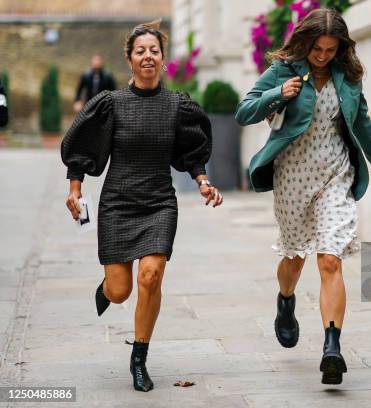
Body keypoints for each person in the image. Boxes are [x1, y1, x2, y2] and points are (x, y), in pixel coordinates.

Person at [235, 8, 371, 385]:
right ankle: (286, 299)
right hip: (292, 177)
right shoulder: (283, 70)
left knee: (329, 259)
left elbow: (363, 125)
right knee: (294, 258)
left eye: (330, 50)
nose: (323, 56)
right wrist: (278, 93)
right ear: (305, 43)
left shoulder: (349, 77)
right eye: (317, 49)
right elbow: (244, 112)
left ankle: (331, 347)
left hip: (335, 175)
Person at [61, 20, 223, 392]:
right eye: (140, 51)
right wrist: (75, 189)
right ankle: (106, 289)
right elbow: (82, 150)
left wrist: (203, 182)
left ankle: (139, 356)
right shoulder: (112, 104)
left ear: (163, 59)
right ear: (130, 59)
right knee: (120, 291)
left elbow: (191, 153)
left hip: (159, 203)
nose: (147, 56)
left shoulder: (177, 105)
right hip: (117, 202)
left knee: (151, 275)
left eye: (154, 50)